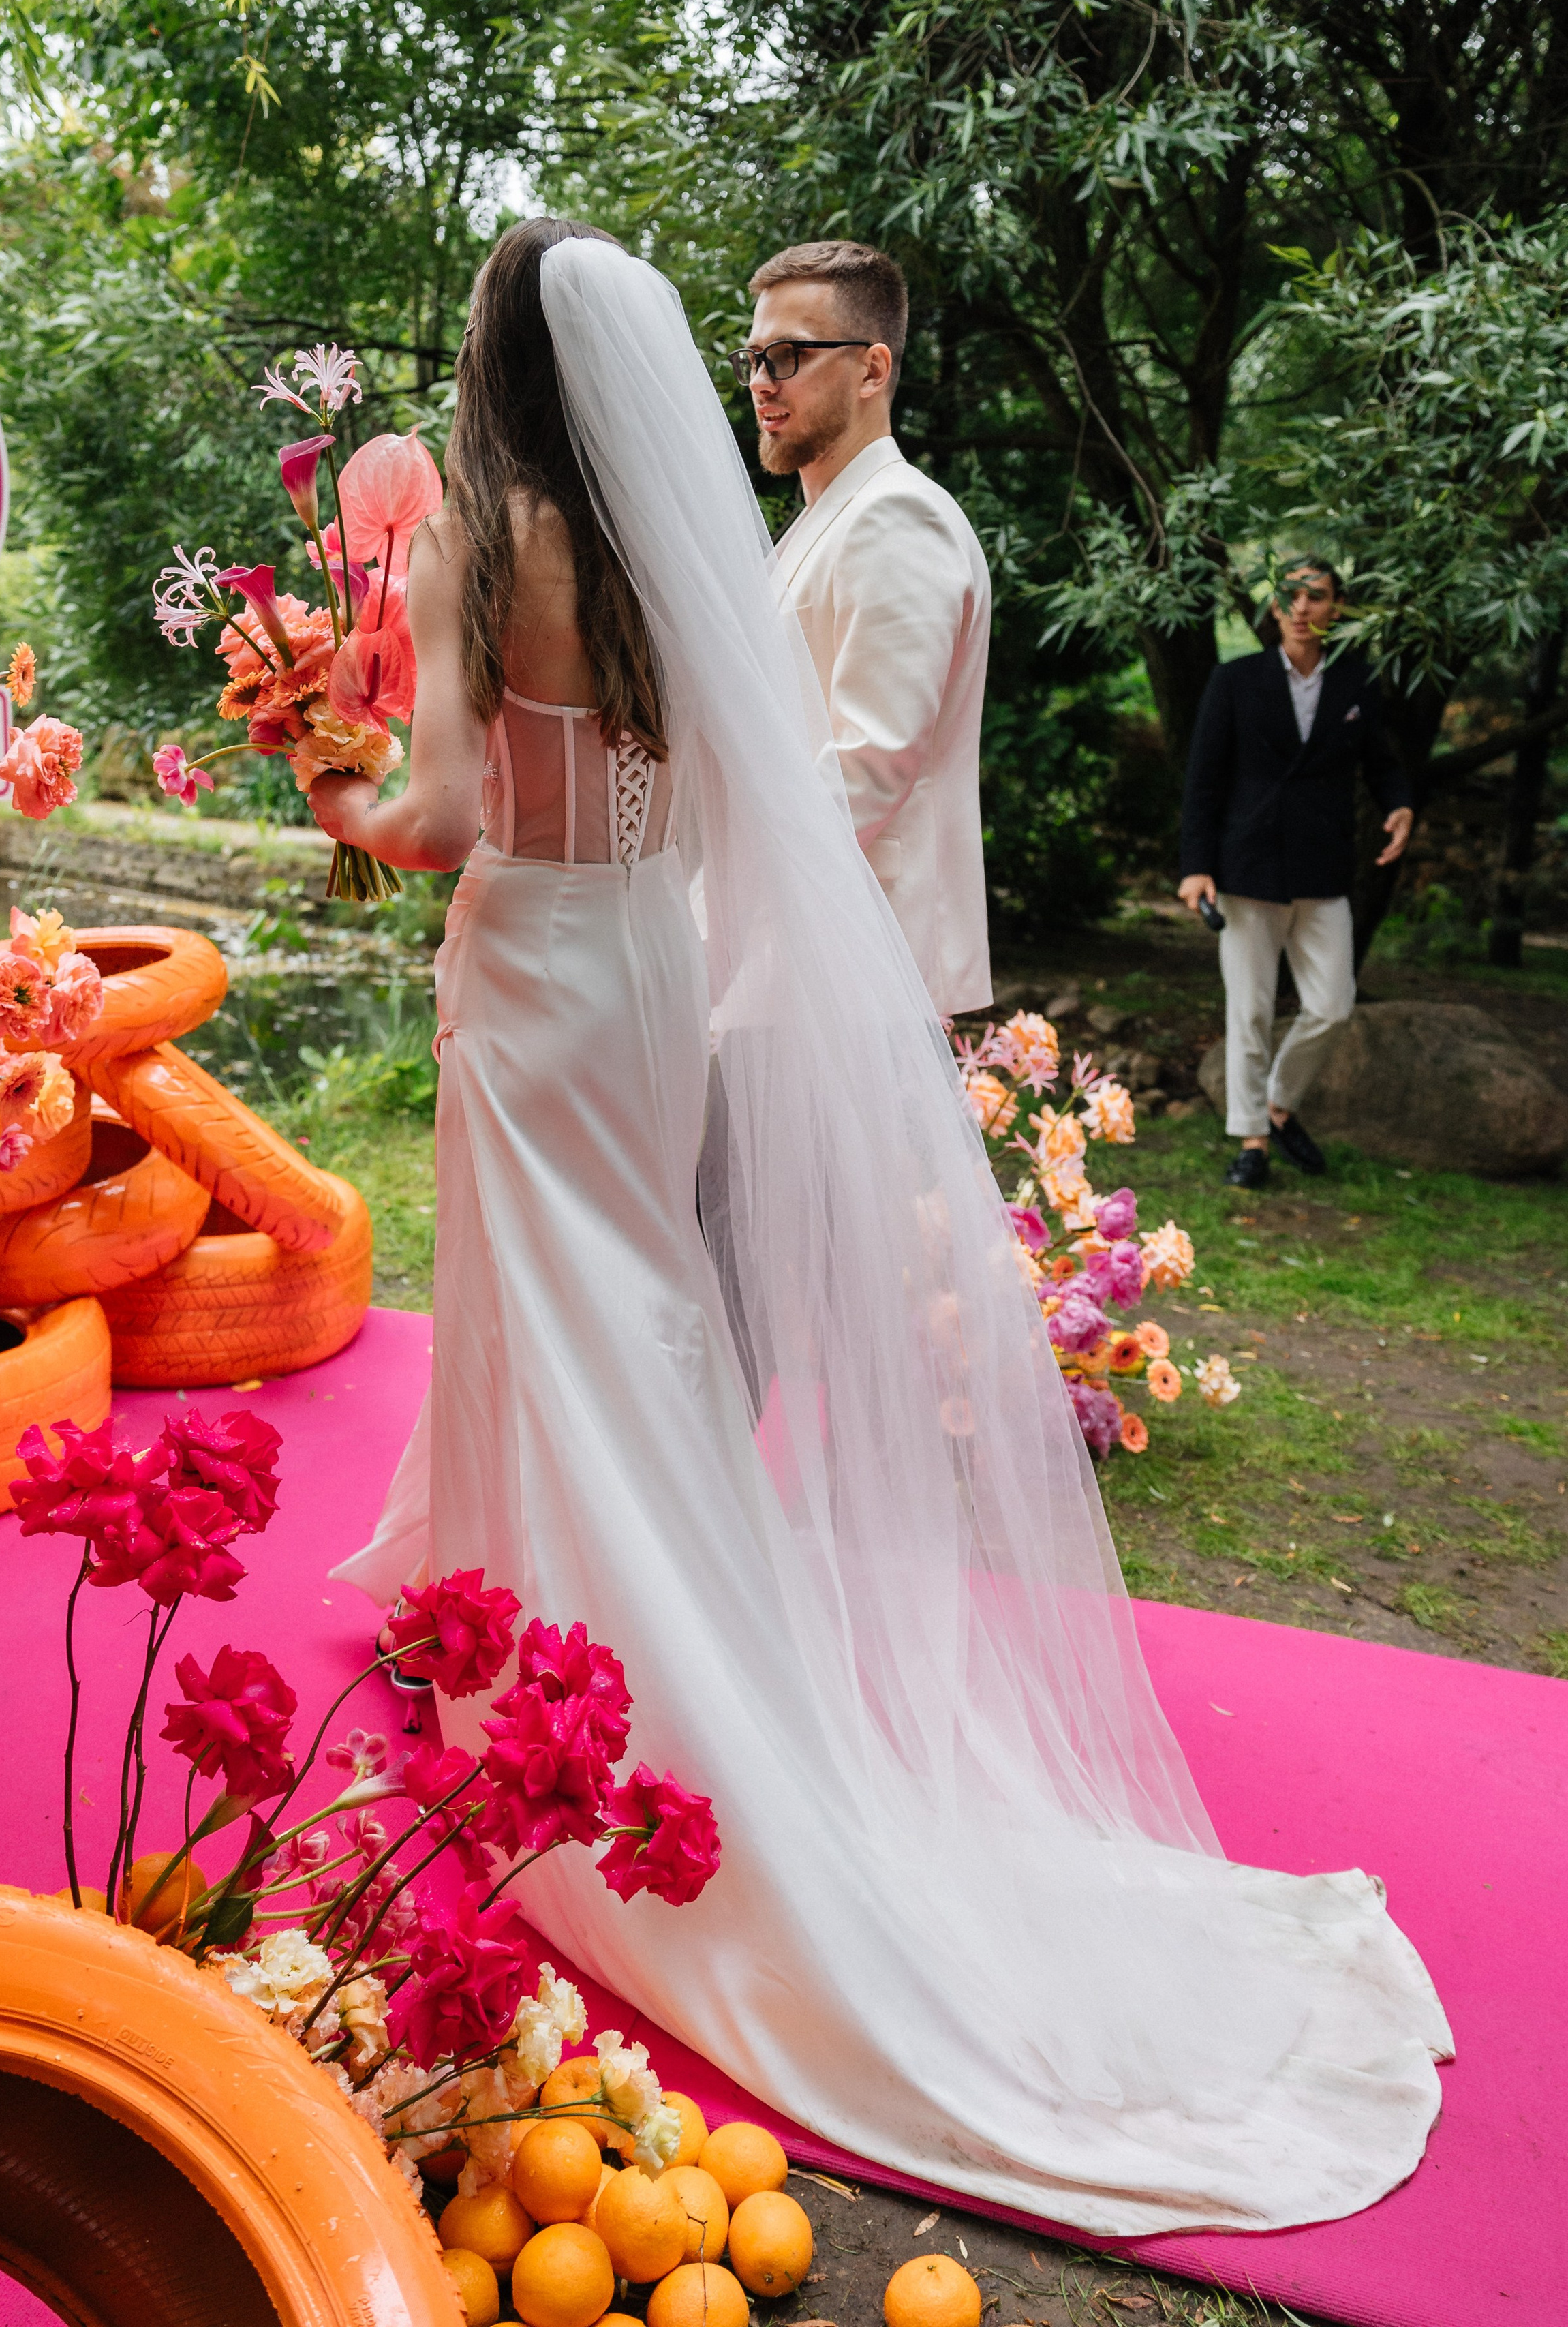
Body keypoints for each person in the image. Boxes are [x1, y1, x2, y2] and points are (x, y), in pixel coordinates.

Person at [311, 220, 1447, 2237]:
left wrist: (328, 768)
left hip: (539, 974)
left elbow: (441, 815)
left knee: (560, 1327)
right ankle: (590, 1641)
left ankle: (581, 1676)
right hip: (655, 973)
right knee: (640, 1327)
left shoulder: (475, 536)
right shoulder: (676, 548)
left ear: (488, 363)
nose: (748, 380)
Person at [739, 241, 992, 1020]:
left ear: (873, 369)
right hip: (801, 950)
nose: (759, 382)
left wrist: (722, 885)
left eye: (788, 356)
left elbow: (869, 768)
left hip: (856, 962)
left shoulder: (896, 516)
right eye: (752, 356)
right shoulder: (827, 520)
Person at [1179, 560, 1413, 1189]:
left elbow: (1383, 762)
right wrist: (1195, 867)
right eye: (1292, 596)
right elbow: (1203, 781)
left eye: (1318, 596)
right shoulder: (1236, 680)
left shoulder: (1357, 682)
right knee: (1249, 1010)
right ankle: (1251, 1140)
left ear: (1337, 607)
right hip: (1247, 864)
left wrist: (1400, 804)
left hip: (1323, 865)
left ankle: (1279, 1106)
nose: (1304, 606)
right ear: (1276, 608)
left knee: (1333, 1006)